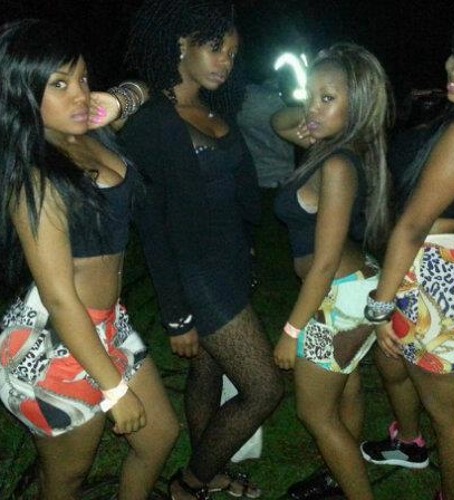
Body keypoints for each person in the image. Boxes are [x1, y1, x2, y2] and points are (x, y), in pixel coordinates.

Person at [108, 1, 284, 498]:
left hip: (231, 264)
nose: (225, 61)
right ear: (181, 44)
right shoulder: (152, 121)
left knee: (208, 372)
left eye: (232, 53)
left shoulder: (215, 108)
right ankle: (190, 483)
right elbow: (155, 226)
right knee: (264, 388)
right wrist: (176, 315)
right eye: (215, 48)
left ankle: (212, 467)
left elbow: (236, 197)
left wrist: (248, 252)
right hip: (198, 276)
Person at [0, 19, 179, 500]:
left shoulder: (89, 131)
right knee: (66, 479)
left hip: (107, 323)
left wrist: (118, 100)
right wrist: (114, 391)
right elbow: (59, 298)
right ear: (24, 93)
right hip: (56, 340)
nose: (79, 94)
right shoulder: (36, 175)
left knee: (160, 436)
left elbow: (154, 85)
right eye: (59, 84)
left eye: (82, 78)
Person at [360, 8, 454, 500]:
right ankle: (409, 442)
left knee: (451, 417)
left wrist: (380, 306)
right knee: (396, 366)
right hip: (427, 269)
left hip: (437, 281)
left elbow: (413, 224)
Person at [272, 42, 393, 499]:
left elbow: (323, 264)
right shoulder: (334, 145)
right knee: (347, 387)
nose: (312, 107)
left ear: (356, 104)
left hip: (337, 296)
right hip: (354, 287)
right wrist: (314, 112)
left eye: (328, 97)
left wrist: (291, 332)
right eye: (310, 95)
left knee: (316, 414)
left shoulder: (338, 163)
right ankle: (335, 480)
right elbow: (277, 121)